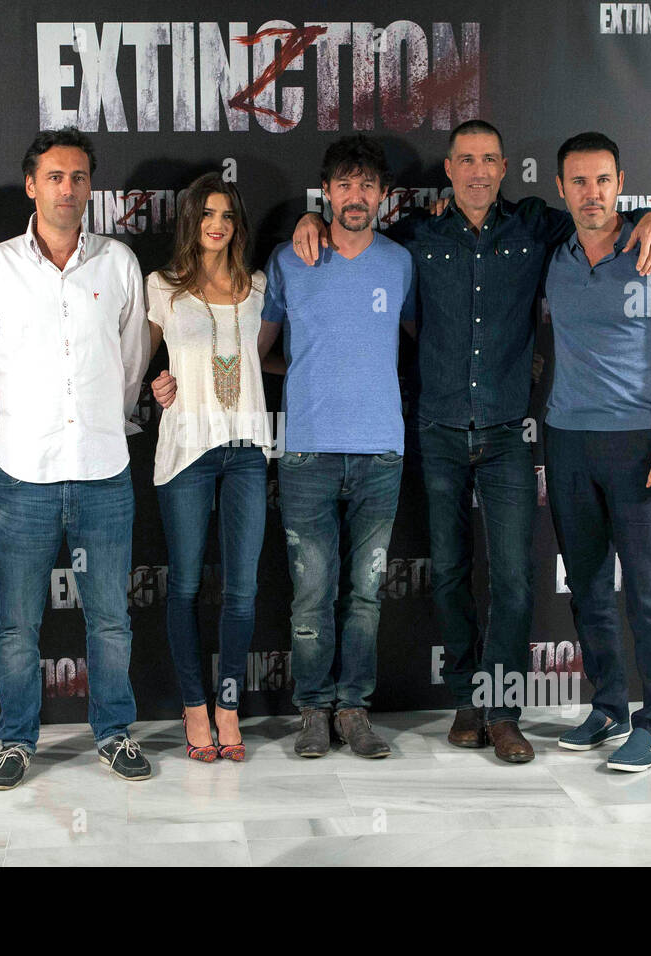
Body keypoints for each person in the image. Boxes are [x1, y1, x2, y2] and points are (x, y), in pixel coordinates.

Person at [292, 120, 651, 763]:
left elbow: (598, 214)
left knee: (515, 581)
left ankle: (502, 712)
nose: (476, 172)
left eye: (488, 161)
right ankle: (469, 698)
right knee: (448, 576)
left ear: (503, 169)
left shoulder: (535, 228)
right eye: (465, 160)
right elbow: (351, 239)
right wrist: (305, 222)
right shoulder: (415, 235)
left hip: (506, 435)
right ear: (449, 169)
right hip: (436, 432)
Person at [0, 127, 151, 789]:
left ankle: (114, 733)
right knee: (17, 623)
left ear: (89, 186)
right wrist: (21, 418)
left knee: (110, 618)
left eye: (78, 177)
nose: (67, 188)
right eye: (54, 176)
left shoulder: (119, 263)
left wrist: (106, 414)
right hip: (23, 471)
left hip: (105, 467)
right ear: (31, 184)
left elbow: (131, 363)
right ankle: (16, 741)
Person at [544, 132, 651, 771]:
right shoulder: (551, 253)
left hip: (637, 444)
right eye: (578, 181)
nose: (592, 193)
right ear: (561, 189)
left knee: (646, 589)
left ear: (621, 182)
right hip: (565, 439)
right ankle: (608, 706)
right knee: (586, 588)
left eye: (603, 180)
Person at [261, 135, 415, 759]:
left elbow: (421, 345)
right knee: (311, 592)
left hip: (382, 451)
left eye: (368, 185)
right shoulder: (288, 259)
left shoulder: (401, 263)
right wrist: (308, 372)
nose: (357, 196)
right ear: (325, 191)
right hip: (307, 451)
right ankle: (312, 711)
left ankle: (354, 709)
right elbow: (262, 349)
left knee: (366, 594)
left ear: (383, 195)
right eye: (345, 184)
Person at [146, 174, 274, 762]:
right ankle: (193, 707)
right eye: (206, 214)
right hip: (187, 449)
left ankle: (228, 707)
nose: (217, 224)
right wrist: (157, 384)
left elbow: (264, 355)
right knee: (188, 586)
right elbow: (134, 362)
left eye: (226, 214)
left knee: (242, 591)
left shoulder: (259, 288)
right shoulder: (163, 289)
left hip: (246, 448)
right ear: (191, 221)